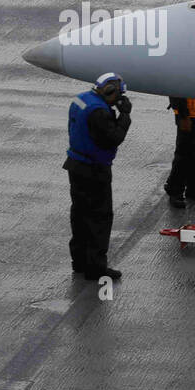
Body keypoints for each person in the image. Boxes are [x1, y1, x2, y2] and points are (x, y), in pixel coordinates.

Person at [64, 72, 131, 280]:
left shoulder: (81, 98)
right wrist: (125, 116)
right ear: (110, 91)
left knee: (80, 215)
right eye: (118, 96)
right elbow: (114, 138)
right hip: (94, 170)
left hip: (75, 165)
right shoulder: (99, 113)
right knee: (100, 218)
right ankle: (96, 268)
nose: (117, 101)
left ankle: (80, 262)